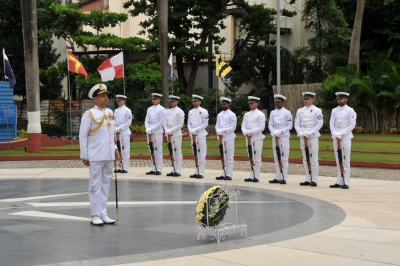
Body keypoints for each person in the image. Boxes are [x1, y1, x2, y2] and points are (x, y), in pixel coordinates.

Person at [79, 83, 116, 225]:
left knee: (106, 183)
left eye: (106, 95)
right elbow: (83, 136)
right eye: (102, 96)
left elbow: (111, 134)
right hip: (95, 154)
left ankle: (103, 212)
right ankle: (94, 214)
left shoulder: (110, 113)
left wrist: (115, 148)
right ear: (95, 99)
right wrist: (85, 155)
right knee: (95, 185)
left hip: (108, 154)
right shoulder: (89, 114)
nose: (106, 98)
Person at [295, 92, 323, 187]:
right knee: (305, 158)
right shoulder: (300, 111)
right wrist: (300, 133)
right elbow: (297, 123)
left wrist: (310, 133)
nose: (306, 101)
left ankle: (314, 179)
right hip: (303, 136)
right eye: (305, 99)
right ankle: (308, 178)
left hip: (313, 136)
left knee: (313, 158)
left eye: (308, 99)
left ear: (312, 99)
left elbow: (319, 123)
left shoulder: (317, 110)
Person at [329, 92, 357, 189]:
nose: (339, 100)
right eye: (338, 99)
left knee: (345, 160)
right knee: (338, 159)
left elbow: (352, 124)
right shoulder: (334, 110)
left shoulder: (350, 110)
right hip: (336, 137)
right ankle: (339, 181)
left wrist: (341, 133)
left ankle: (346, 182)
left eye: (341, 98)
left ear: (346, 99)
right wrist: (334, 133)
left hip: (345, 137)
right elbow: (331, 123)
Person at [268, 94, 293, 184]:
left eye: (279, 102)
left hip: (284, 135)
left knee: (284, 156)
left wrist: (280, 132)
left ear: (282, 102)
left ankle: (284, 177)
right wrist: (273, 132)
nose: (277, 104)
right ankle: (277, 177)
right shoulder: (272, 113)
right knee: (276, 156)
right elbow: (270, 124)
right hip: (275, 135)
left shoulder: (287, 112)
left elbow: (290, 126)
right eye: (276, 102)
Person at [242, 96, 266, 182]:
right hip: (248, 138)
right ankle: (251, 174)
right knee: (250, 156)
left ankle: (257, 176)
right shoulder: (247, 114)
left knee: (257, 157)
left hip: (257, 138)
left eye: (252, 103)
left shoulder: (260, 114)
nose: (250, 105)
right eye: (249, 103)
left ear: (257, 103)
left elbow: (261, 127)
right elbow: (243, 125)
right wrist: (245, 131)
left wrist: (251, 131)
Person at [215, 97, 237, 181]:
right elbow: (217, 125)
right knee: (222, 155)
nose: (223, 105)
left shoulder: (232, 114)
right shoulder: (219, 114)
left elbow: (233, 127)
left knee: (229, 156)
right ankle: (223, 173)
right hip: (221, 137)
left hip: (229, 137)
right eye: (222, 104)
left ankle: (229, 174)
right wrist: (218, 130)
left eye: (224, 104)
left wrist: (223, 130)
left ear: (228, 104)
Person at [187, 94, 209, 179]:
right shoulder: (190, 112)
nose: (194, 103)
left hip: (201, 134)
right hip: (193, 134)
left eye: (195, 101)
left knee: (202, 154)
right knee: (195, 153)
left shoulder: (204, 111)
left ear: (200, 102)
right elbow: (189, 123)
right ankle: (196, 171)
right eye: (193, 101)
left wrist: (196, 130)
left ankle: (201, 172)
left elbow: (205, 123)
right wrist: (190, 130)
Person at [145, 93, 166, 175]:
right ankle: (153, 168)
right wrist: (147, 128)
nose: (153, 100)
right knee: (151, 150)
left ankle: (159, 169)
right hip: (150, 132)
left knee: (158, 150)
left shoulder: (162, 109)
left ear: (159, 100)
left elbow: (161, 122)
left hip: (157, 131)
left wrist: (152, 128)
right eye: (153, 99)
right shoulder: (149, 109)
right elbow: (146, 120)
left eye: (155, 99)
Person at [164, 95, 185, 177]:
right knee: (171, 151)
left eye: (172, 101)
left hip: (176, 134)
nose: (171, 103)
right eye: (170, 102)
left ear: (177, 102)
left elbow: (180, 124)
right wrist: (166, 129)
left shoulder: (180, 111)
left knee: (177, 152)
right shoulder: (168, 111)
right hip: (169, 133)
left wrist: (171, 130)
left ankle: (178, 170)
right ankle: (173, 169)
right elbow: (165, 122)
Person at [114, 94, 132, 173]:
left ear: (123, 101)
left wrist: (120, 128)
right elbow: (114, 121)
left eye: (120, 100)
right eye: (117, 101)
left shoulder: (127, 110)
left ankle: (125, 168)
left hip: (124, 132)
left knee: (125, 150)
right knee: (119, 149)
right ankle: (120, 166)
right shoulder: (116, 110)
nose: (118, 102)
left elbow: (128, 122)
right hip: (117, 132)